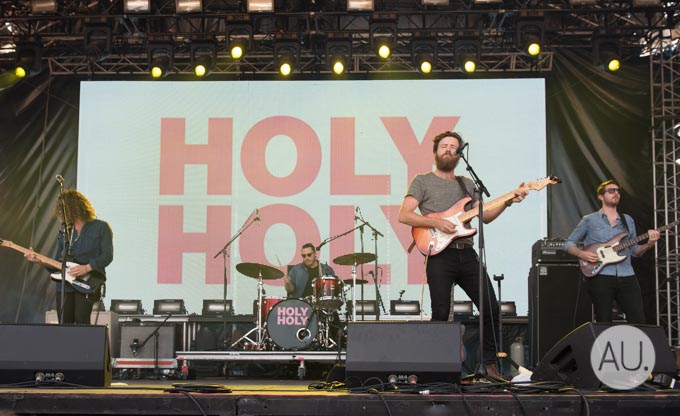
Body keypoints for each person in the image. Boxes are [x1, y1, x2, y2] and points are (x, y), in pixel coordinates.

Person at [398, 131, 527, 379]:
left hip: (466, 253)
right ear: (435, 152)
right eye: (444, 146)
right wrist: (437, 223)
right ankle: (436, 368)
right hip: (439, 255)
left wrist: (509, 200)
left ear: (459, 154)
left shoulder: (467, 184)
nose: (448, 149)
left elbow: (485, 216)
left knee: (490, 309)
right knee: (440, 313)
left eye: (453, 147)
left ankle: (489, 365)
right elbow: (404, 215)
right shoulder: (422, 181)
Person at [564, 179, 659, 324]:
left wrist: (649, 244)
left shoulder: (627, 220)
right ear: (601, 196)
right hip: (601, 275)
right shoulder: (589, 220)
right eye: (611, 191)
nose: (616, 193)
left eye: (618, 191)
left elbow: (635, 251)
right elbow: (568, 243)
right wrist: (581, 254)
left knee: (638, 319)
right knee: (603, 320)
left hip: (627, 275)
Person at [25, 189, 113, 324]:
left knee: (82, 322)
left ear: (75, 207)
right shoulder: (65, 232)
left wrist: (86, 268)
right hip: (64, 285)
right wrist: (39, 261)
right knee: (64, 324)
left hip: (87, 282)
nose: (62, 214)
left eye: (64, 209)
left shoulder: (101, 227)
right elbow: (57, 263)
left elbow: (107, 256)